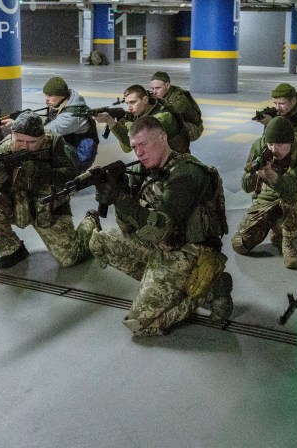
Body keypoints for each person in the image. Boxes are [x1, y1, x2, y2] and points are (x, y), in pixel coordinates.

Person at [82, 115, 232, 336]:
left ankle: (212, 288)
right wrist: (119, 193)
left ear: (163, 138)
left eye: (144, 144)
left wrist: (123, 200)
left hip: (190, 250)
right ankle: (171, 288)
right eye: (134, 147)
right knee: (100, 242)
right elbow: (127, 229)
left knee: (141, 326)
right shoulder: (144, 171)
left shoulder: (187, 174)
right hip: (158, 244)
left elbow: (162, 228)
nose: (139, 152)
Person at [0, 111, 92, 270]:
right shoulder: (0, 152)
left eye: (31, 142)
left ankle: (91, 222)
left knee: (70, 258)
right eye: (20, 140)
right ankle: (12, 250)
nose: (24, 146)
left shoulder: (53, 143)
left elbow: (70, 175)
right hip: (17, 206)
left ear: (43, 137)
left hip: (50, 208)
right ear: (12, 135)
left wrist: (39, 172)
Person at [231, 116, 297, 270]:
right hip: (266, 199)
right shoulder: (259, 146)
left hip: (294, 196)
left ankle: (289, 243)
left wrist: (271, 175)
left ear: (290, 142)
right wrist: (257, 173)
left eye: (279, 144)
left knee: (292, 195)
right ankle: (276, 226)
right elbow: (245, 186)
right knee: (239, 245)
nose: (273, 149)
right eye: (270, 143)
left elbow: (292, 186)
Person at [96, 84, 188, 154]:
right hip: (156, 157)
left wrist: (110, 122)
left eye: (133, 102)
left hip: (177, 161)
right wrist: (122, 124)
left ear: (145, 100)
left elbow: (131, 142)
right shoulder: (139, 115)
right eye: (127, 103)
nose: (129, 108)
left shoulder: (163, 116)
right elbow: (127, 149)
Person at [40, 76, 99, 172]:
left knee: (40, 143)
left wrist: (19, 126)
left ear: (62, 95)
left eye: (50, 95)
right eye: (46, 95)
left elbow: (47, 131)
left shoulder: (72, 116)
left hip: (80, 157)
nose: (46, 99)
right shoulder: (67, 101)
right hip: (73, 148)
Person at [148, 71, 204, 143]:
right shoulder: (158, 95)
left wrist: (158, 101)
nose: (155, 92)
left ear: (167, 85)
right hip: (180, 122)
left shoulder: (179, 96)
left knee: (165, 120)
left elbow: (173, 110)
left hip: (193, 127)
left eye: (158, 88)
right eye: (152, 88)